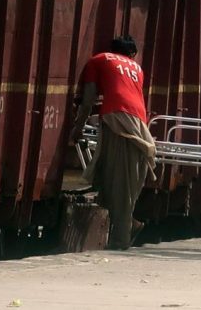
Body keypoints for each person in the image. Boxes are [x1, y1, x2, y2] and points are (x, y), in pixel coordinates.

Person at [70, 36, 157, 250]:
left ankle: (121, 238)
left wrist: (77, 128)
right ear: (131, 54)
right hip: (139, 124)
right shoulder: (137, 68)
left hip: (116, 120)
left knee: (116, 179)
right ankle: (128, 226)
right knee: (126, 179)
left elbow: (88, 99)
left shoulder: (98, 60)